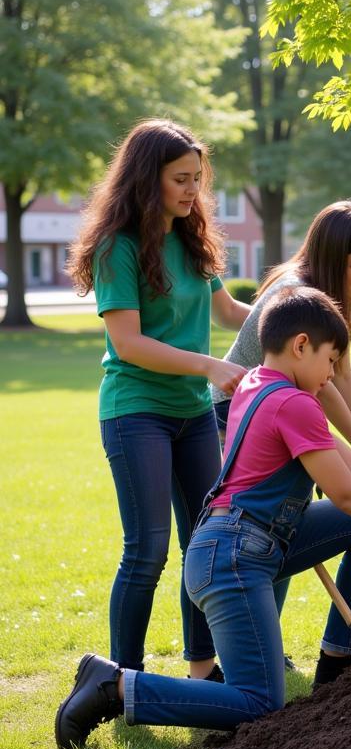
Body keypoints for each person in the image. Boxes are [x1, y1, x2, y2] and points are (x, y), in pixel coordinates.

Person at [55, 287, 351, 749]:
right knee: (258, 703)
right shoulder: (294, 404)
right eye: (330, 359)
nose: (332, 374)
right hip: (233, 560)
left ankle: (338, 666)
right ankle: (113, 686)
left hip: (241, 544)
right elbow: (346, 491)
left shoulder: (259, 381)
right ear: (300, 346)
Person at [66, 119, 251, 680]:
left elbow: (228, 314)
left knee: (205, 544)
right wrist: (210, 365)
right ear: (148, 179)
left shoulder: (191, 239)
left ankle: (202, 669)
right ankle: (121, 679)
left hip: (193, 414)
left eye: (198, 178)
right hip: (135, 412)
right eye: (181, 179)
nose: (193, 190)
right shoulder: (116, 247)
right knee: (147, 551)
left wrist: (298, 316)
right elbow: (129, 342)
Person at [211, 200, 351, 682]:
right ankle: (234, 659)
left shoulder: (330, 299)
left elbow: (340, 378)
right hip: (235, 419)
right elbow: (329, 389)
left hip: (288, 416)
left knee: (286, 527)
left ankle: (304, 653)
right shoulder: (296, 293)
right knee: (263, 530)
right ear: (330, 257)